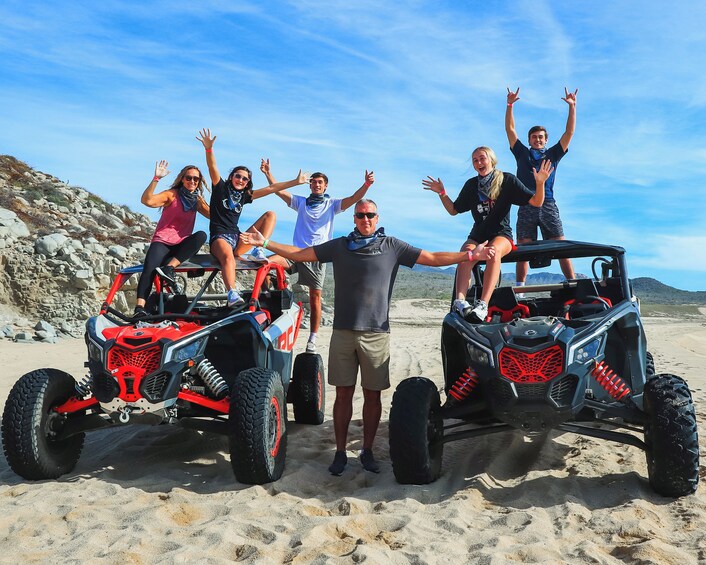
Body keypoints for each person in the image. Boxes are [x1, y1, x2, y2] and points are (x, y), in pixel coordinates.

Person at [240, 199, 495, 475]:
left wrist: (469, 257)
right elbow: (301, 254)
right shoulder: (339, 246)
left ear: (377, 217)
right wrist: (265, 243)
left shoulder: (392, 246)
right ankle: (339, 452)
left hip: (376, 333)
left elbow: (432, 259)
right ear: (354, 218)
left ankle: (368, 450)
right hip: (343, 332)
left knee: (373, 396)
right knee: (342, 395)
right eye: (360, 215)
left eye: (370, 215)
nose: (365, 219)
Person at [423, 147, 553, 322]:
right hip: (478, 235)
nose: (478, 163)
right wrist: (442, 193)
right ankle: (459, 302)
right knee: (465, 254)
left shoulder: (507, 181)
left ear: (491, 159)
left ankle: (483, 305)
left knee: (493, 251)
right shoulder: (471, 185)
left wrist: (540, 183)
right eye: (475, 160)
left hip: (502, 234)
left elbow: (537, 202)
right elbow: (453, 210)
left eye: (482, 158)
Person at [259, 159, 375, 353]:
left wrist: (366, 184)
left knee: (315, 297)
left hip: (317, 255)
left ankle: (312, 337)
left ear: (325, 185)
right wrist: (267, 173)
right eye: (313, 182)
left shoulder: (332, 204)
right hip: (295, 252)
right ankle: (273, 310)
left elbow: (354, 198)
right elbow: (278, 191)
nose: (316, 184)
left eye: (320, 182)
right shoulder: (301, 202)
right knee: (266, 265)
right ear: (310, 185)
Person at [196, 128, 307, 307]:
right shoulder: (220, 188)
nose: (241, 180)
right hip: (220, 237)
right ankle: (232, 292)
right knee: (228, 259)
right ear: (231, 176)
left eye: (245, 179)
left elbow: (272, 189)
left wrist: (295, 181)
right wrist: (209, 149)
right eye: (238, 176)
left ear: (248, 182)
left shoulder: (245, 195)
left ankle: (259, 247)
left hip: (237, 237)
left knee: (270, 215)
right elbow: (212, 167)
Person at [505, 87, 578, 289]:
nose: (538, 139)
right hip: (526, 205)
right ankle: (520, 288)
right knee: (523, 248)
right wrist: (510, 105)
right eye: (534, 137)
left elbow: (569, 132)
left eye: (541, 137)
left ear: (546, 140)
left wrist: (572, 107)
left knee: (560, 245)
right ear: (529, 140)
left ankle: (572, 282)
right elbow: (510, 131)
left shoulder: (553, 154)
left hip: (548, 204)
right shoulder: (521, 154)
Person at [133, 160, 210, 318]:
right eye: (189, 178)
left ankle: (170, 267)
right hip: (163, 241)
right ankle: (139, 309)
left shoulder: (197, 200)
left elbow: (215, 216)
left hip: (181, 244)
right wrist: (156, 178)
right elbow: (147, 201)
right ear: (182, 179)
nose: (192, 181)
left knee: (201, 235)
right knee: (150, 269)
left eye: (196, 179)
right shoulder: (171, 194)